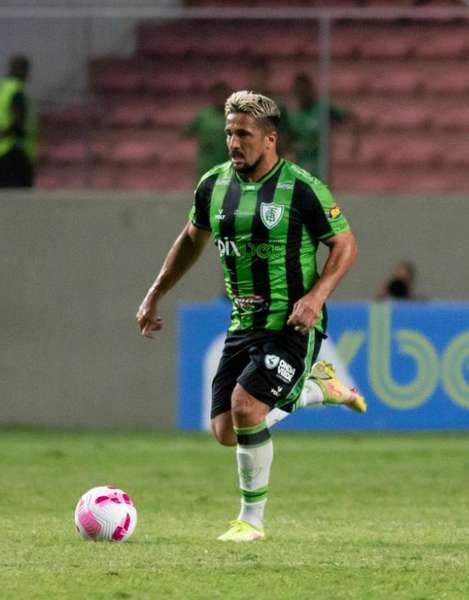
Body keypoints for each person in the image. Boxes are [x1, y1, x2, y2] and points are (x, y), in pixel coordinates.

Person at [137, 91, 365, 543]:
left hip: (292, 324)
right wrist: (154, 293)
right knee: (225, 431)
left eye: (244, 134)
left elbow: (345, 245)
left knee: (246, 408)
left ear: (270, 139)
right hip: (242, 324)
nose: (233, 142)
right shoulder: (213, 186)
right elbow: (190, 240)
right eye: (229, 133)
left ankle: (251, 522)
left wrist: (316, 297)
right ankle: (317, 389)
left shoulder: (302, 188)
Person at [287, 72, 355, 178]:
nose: (301, 95)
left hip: (320, 169)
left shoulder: (322, 109)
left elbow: (351, 118)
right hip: (301, 169)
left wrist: (354, 144)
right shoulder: (294, 116)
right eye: (298, 92)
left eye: (304, 91)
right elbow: (288, 142)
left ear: (310, 90)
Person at [0, 55, 36, 188]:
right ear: (21, 70)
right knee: (19, 199)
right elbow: (17, 121)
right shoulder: (16, 91)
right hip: (13, 151)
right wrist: (2, 134)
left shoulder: (0, 90)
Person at [183, 81, 231, 181]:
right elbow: (186, 132)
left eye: (223, 95)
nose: (220, 99)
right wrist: (202, 138)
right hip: (207, 167)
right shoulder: (203, 116)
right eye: (218, 95)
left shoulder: (235, 117)